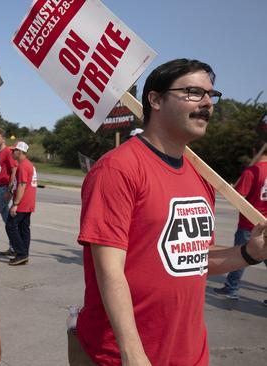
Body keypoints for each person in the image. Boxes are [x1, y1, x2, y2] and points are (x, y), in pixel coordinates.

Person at [74, 58, 267, 365]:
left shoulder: (201, 178)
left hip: (189, 353)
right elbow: (109, 270)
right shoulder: (118, 169)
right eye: (193, 92)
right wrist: (132, 352)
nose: (206, 103)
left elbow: (194, 258)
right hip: (121, 355)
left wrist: (250, 252)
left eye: (210, 95)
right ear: (155, 99)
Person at [213, 145, 267, 300]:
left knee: (242, 255)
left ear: (254, 151)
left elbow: (238, 197)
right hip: (266, 224)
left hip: (250, 224)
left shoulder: (252, 171)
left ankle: (231, 288)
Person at [5, 141, 37, 266]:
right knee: (24, 228)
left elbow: (22, 185)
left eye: (14, 150)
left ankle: (21, 252)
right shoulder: (29, 165)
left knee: (11, 226)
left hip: (22, 203)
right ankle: (24, 255)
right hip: (29, 202)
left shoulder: (23, 166)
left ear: (20, 152)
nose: (12, 152)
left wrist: (15, 203)